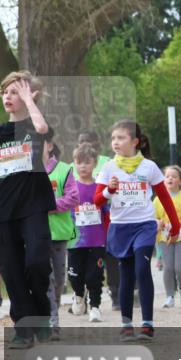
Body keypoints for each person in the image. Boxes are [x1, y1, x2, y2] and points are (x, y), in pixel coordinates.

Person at [0, 72, 56, 348]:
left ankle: (41, 316)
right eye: (5, 92)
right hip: (4, 211)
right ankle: (24, 330)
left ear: (27, 96)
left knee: (37, 262)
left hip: (35, 205)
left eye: (15, 92)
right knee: (12, 272)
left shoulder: (33, 126)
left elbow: (42, 128)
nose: (8, 97)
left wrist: (29, 101)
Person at [94, 120, 180, 341]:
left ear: (135, 142)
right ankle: (126, 325)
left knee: (142, 269)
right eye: (113, 138)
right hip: (120, 227)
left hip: (144, 225)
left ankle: (148, 324)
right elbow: (97, 201)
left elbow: (164, 197)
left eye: (121, 138)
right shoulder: (108, 167)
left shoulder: (149, 167)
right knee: (126, 275)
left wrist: (175, 225)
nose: (115, 142)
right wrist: (109, 190)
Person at [76, 130, 119, 309]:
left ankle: (115, 294)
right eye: (81, 141)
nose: (85, 144)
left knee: (110, 260)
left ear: (97, 144)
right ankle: (82, 298)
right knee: (82, 264)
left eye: (89, 141)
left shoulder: (108, 163)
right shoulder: (74, 164)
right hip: (81, 225)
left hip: (105, 218)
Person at [67, 142, 109, 322]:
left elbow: (107, 211)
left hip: (97, 239)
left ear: (95, 163)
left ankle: (95, 307)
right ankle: (78, 294)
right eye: (79, 162)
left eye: (87, 162)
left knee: (95, 275)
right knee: (74, 275)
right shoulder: (71, 187)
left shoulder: (100, 188)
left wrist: (109, 234)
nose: (83, 166)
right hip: (75, 240)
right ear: (74, 163)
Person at [45, 135, 79, 339]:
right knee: (45, 278)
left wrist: (48, 206)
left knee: (58, 280)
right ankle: (52, 323)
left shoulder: (64, 169)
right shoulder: (27, 172)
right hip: (35, 233)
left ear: (49, 146)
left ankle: (53, 314)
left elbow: (73, 198)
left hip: (59, 233)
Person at [154, 166, 181, 308]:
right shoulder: (158, 199)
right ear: (163, 180)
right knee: (168, 268)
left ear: (180, 181)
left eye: (174, 176)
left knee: (179, 268)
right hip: (164, 238)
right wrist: (158, 223)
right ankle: (169, 296)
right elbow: (154, 217)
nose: (170, 179)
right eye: (167, 176)